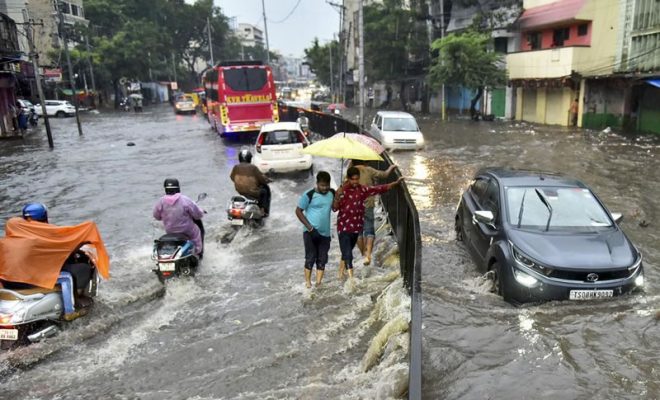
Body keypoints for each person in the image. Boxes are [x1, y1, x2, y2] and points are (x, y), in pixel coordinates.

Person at [333, 166, 404, 280]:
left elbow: (379, 189)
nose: (355, 182)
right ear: (348, 178)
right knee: (347, 253)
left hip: (356, 227)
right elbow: (334, 208)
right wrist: (337, 197)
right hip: (344, 227)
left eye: (357, 179)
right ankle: (351, 280)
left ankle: (341, 273)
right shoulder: (342, 191)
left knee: (347, 251)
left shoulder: (362, 190)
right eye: (353, 179)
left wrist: (395, 183)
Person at [349, 160, 398, 266]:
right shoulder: (369, 170)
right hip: (368, 205)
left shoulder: (350, 172)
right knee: (369, 230)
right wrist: (391, 168)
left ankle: (363, 254)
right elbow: (384, 175)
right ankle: (368, 255)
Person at [295, 171, 336, 288]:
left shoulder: (331, 193)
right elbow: (298, 211)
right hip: (310, 232)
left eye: (327, 185)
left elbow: (334, 208)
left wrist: (339, 196)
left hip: (325, 233)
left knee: (322, 259)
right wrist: (310, 228)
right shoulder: (309, 194)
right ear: (317, 183)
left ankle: (318, 284)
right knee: (310, 258)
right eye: (322, 185)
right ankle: (308, 283)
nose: (325, 188)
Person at [153, 178, 205, 257]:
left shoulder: (161, 201)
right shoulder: (184, 199)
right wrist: (202, 211)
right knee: (197, 232)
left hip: (170, 231)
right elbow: (197, 214)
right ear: (178, 188)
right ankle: (198, 252)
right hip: (186, 230)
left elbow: (156, 216)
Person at [230, 148, 272, 216]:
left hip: (241, 192)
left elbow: (232, 177)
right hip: (252, 193)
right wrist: (268, 180)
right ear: (249, 158)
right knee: (264, 191)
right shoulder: (253, 168)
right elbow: (262, 179)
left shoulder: (235, 167)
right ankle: (263, 211)